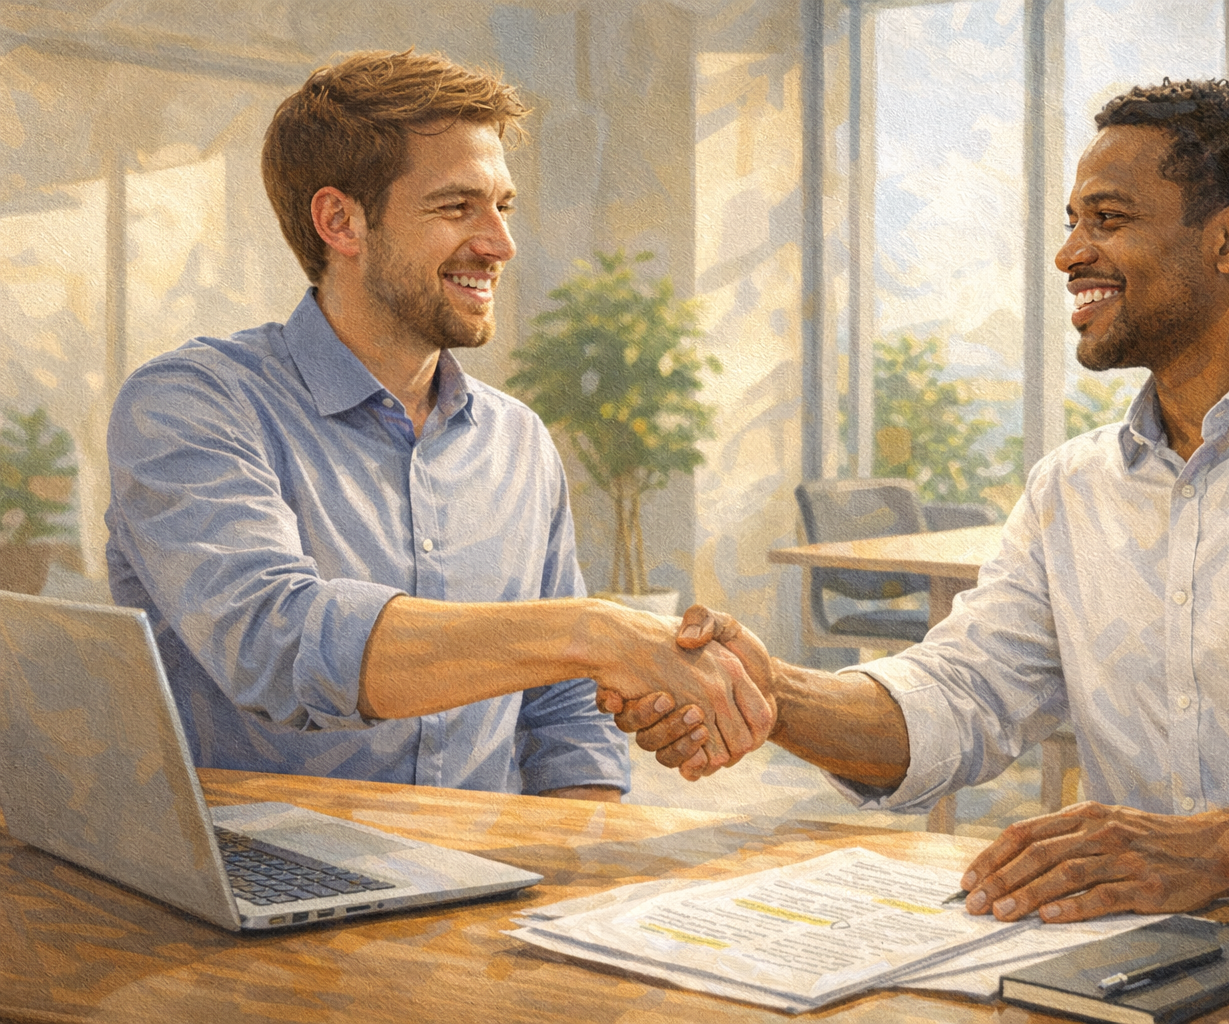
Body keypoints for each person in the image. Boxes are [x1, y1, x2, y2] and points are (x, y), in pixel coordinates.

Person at [604, 79, 1229, 917]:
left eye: (1107, 219)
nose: (1066, 254)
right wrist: (770, 691)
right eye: (1071, 219)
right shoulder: (1072, 486)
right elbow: (962, 696)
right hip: (1143, 956)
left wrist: (1214, 851)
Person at [105, 50, 770, 801]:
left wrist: (579, 864)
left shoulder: (519, 441)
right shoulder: (192, 404)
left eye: (502, 206)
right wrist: (592, 631)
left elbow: (560, 716)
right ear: (340, 221)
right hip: (254, 887)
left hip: (488, 886)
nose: (499, 243)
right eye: (457, 208)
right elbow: (275, 644)